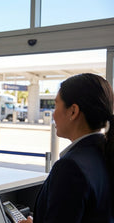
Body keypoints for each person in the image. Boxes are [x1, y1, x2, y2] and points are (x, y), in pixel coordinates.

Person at [20, 73, 114, 223]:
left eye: (56, 105)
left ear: (73, 111)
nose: (53, 114)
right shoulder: (104, 153)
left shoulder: (71, 167)